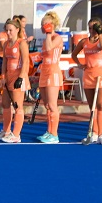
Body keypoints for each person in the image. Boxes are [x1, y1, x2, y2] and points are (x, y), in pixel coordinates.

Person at [71, 18, 102, 145]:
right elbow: (74, 54)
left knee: (100, 105)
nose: (92, 30)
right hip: (88, 75)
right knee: (92, 107)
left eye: (94, 28)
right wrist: (80, 65)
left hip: (101, 75)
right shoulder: (84, 42)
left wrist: (100, 33)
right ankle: (93, 133)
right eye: (90, 28)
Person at [0, 18, 29, 143]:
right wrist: (2, 77)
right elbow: (4, 62)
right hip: (8, 77)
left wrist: (21, 77)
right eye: (7, 30)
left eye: (11, 30)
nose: (8, 33)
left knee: (18, 106)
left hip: (18, 77)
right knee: (5, 104)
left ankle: (16, 134)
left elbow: (26, 62)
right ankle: (6, 130)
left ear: (17, 30)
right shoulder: (6, 44)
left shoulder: (21, 43)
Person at [35, 11, 65, 144]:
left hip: (53, 72)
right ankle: (49, 131)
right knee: (47, 105)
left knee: (53, 104)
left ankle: (55, 134)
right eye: (42, 25)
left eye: (45, 24)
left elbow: (49, 48)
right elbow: (44, 55)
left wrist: (48, 33)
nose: (43, 27)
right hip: (45, 72)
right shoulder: (46, 39)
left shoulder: (57, 37)